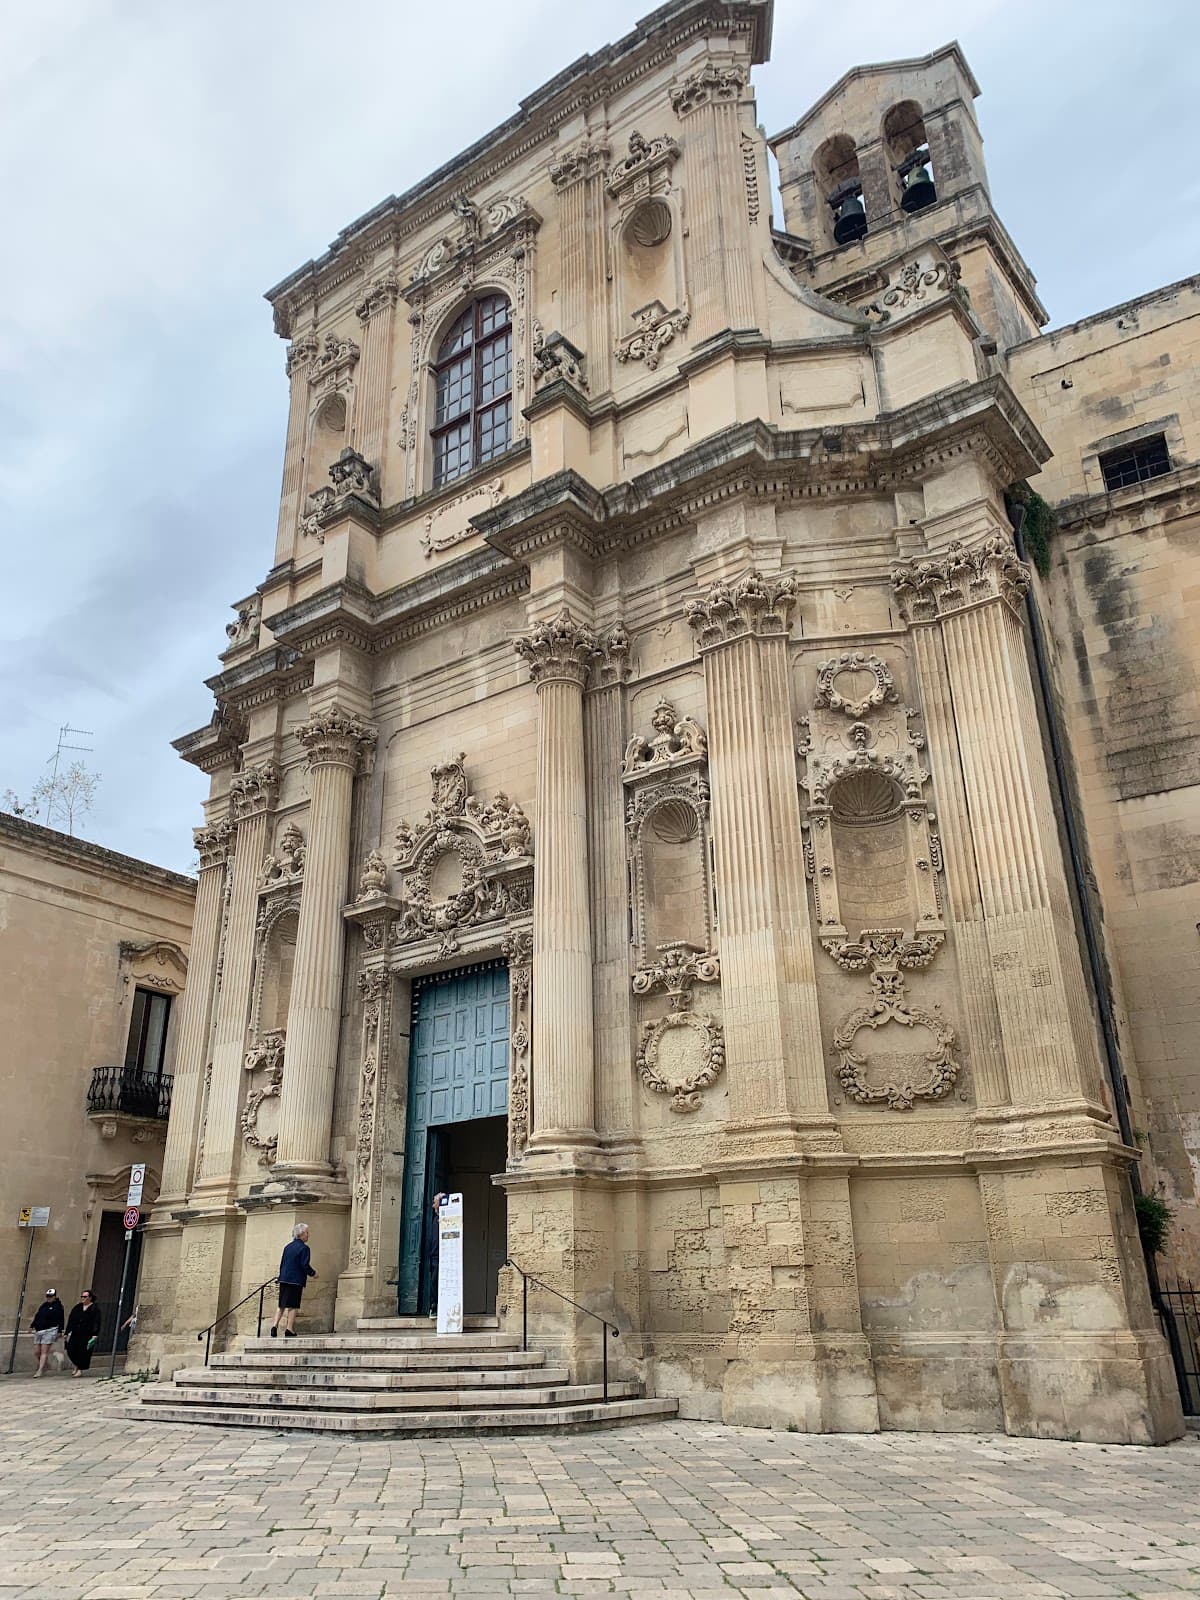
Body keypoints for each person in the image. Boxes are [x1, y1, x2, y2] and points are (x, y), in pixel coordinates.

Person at [270, 1222, 315, 1338]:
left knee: (282, 1304)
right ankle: (289, 1329)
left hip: (284, 1278)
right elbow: (304, 1264)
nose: (308, 1235)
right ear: (301, 1235)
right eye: (307, 1233)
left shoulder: (287, 1247)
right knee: (293, 1305)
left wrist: (281, 1276)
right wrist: (313, 1273)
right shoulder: (304, 1248)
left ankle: (274, 1326)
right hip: (296, 1280)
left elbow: (282, 1263)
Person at [64, 1290, 102, 1376]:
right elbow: (71, 1320)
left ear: (90, 1298)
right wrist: (67, 1332)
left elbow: (97, 1322)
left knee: (82, 1352)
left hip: (87, 1333)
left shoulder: (94, 1309)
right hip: (76, 1332)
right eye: (82, 1297)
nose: (83, 1298)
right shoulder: (77, 1307)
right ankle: (76, 1365)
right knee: (71, 1350)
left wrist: (95, 1334)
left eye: (85, 1297)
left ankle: (79, 1369)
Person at [29, 1288, 65, 1376]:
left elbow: (61, 1319)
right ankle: (45, 1365)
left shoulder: (58, 1307)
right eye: (47, 1296)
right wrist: (32, 1325)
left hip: (50, 1330)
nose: (49, 1298)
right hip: (39, 1330)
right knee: (37, 1351)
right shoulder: (43, 1305)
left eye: (51, 1296)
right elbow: (37, 1315)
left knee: (44, 1351)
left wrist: (60, 1330)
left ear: (55, 1297)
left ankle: (40, 1370)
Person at [424, 1193, 447, 1316]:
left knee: (436, 1281)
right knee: (433, 1281)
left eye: (435, 1202)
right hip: (433, 1256)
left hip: (442, 1256)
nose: (433, 1205)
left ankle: (436, 1307)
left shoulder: (447, 1219)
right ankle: (434, 1306)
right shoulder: (435, 1218)